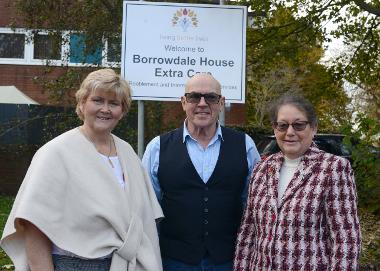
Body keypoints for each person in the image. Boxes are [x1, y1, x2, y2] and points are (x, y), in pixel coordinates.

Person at [0, 69, 163, 271]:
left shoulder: (127, 153)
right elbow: (34, 227)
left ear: (122, 110)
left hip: (125, 264)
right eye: (98, 100)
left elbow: (144, 220)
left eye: (113, 103)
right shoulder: (56, 153)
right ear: (82, 103)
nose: (105, 109)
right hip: (75, 265)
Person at [142, 73, 261, 271]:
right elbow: (147, 207)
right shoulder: (158, 147)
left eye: (211, 97)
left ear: (221, 102)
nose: (203, 104)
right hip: (174, 260)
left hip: (229, 259)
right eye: (195, 97)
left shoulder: (245, 145)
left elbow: (254, 204)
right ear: (183, 102)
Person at [233, 94, 361, 271]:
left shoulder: (333, 168)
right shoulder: (261, 169)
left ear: (314, 128)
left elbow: (346, 239)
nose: (290, 132)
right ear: (275, 128)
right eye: (282, 125)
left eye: (299, 125)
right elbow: (248, 232)